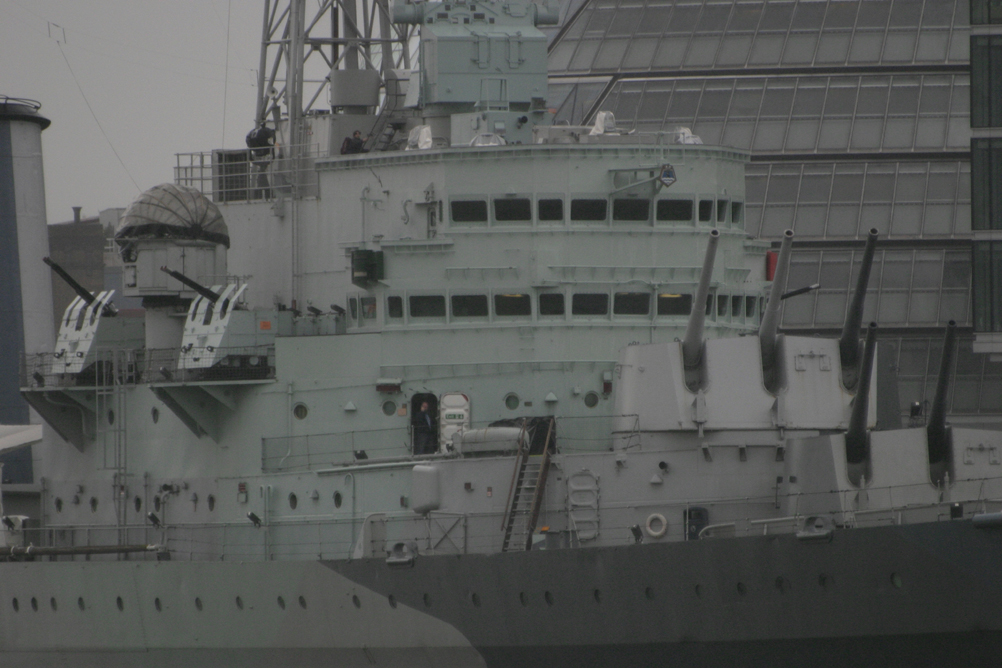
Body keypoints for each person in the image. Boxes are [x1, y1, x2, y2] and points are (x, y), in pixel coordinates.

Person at [245, 124, 276, 198]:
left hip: (261, 179)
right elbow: (271, 159)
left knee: (260, 187)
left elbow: (252, 160)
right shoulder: (265, 163)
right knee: (265, 187)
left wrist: (249, 152)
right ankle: (267, 197)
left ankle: (259, 198)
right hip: (263, 179)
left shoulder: (259, 163)